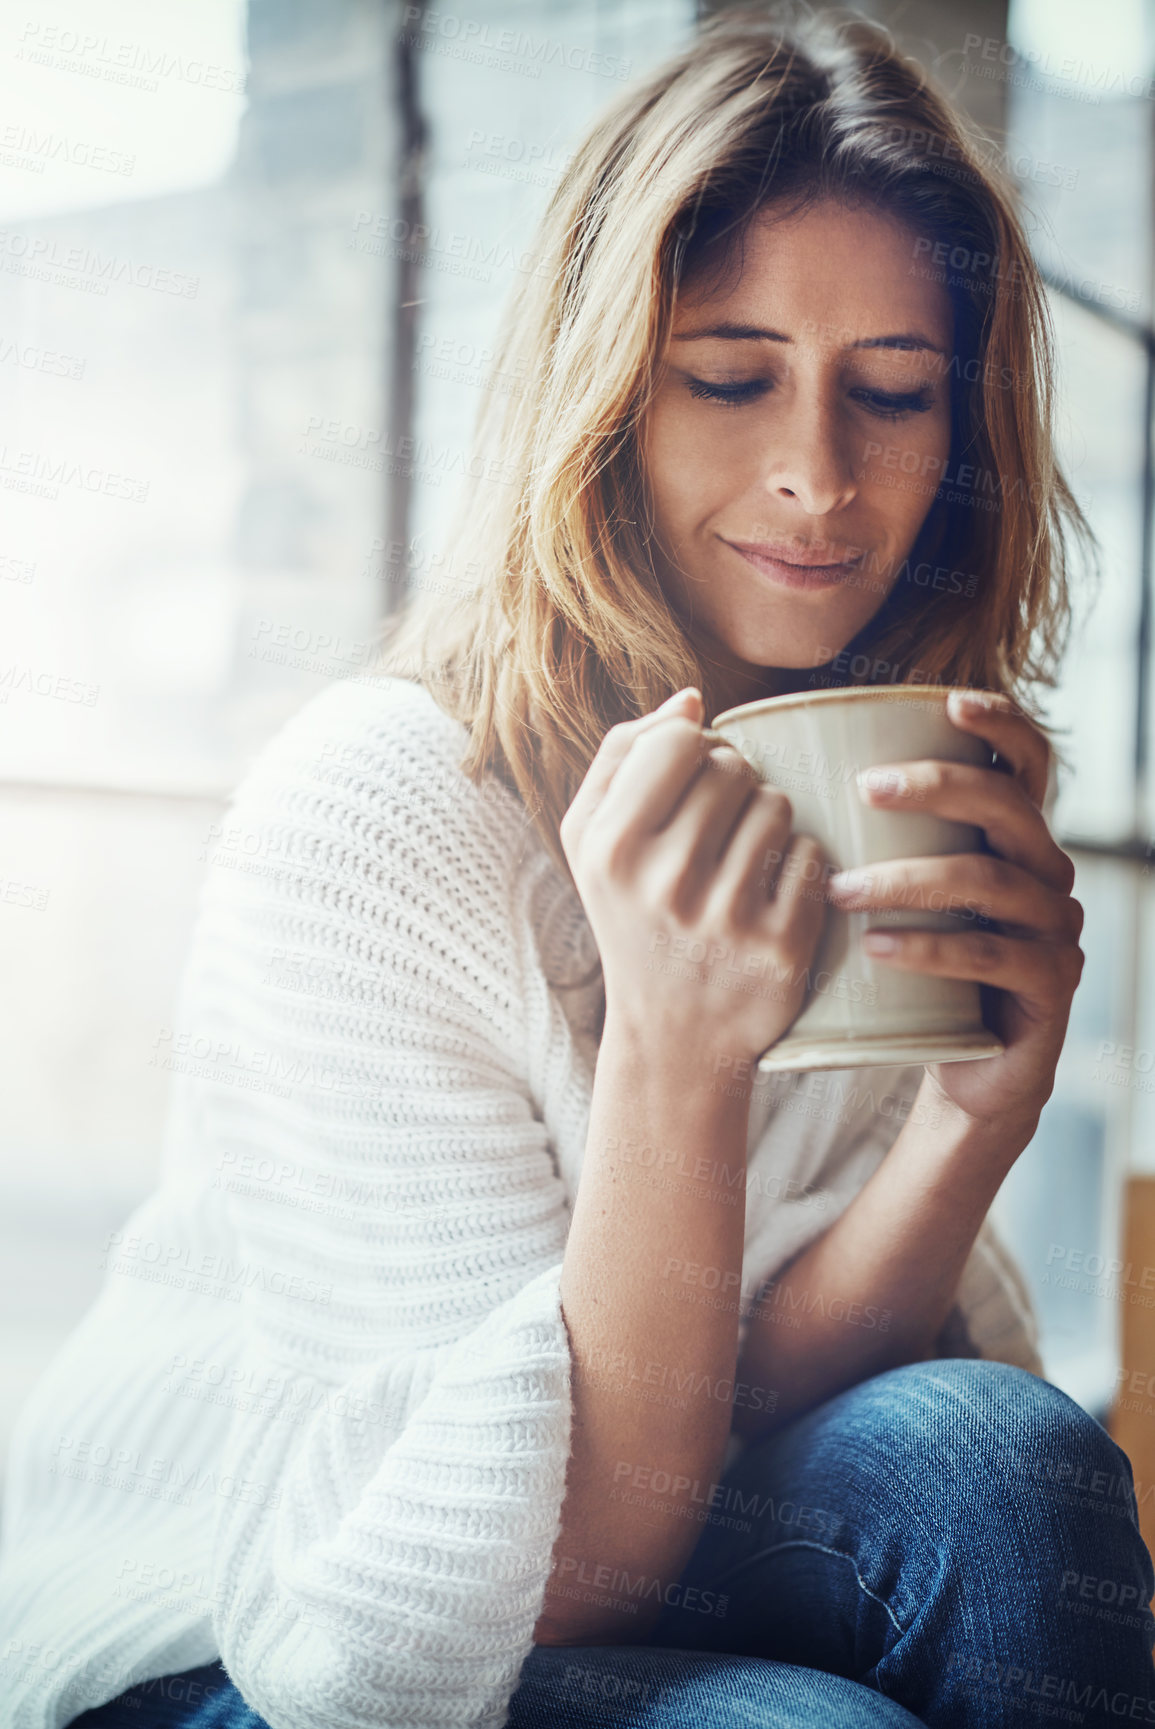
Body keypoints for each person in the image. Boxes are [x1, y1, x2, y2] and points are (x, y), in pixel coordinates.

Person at [2, 7, 1152, 1727]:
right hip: (264, 1620)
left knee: (1003, 1463)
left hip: (654, 1504)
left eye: (894, 393)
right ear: (603, 389)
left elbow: (743, 1404)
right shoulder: (380, 808)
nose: (819, 476)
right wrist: (679, 1055)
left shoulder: (879, 775)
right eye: (731, 374)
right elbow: (513, 1575)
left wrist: (970, 1117)